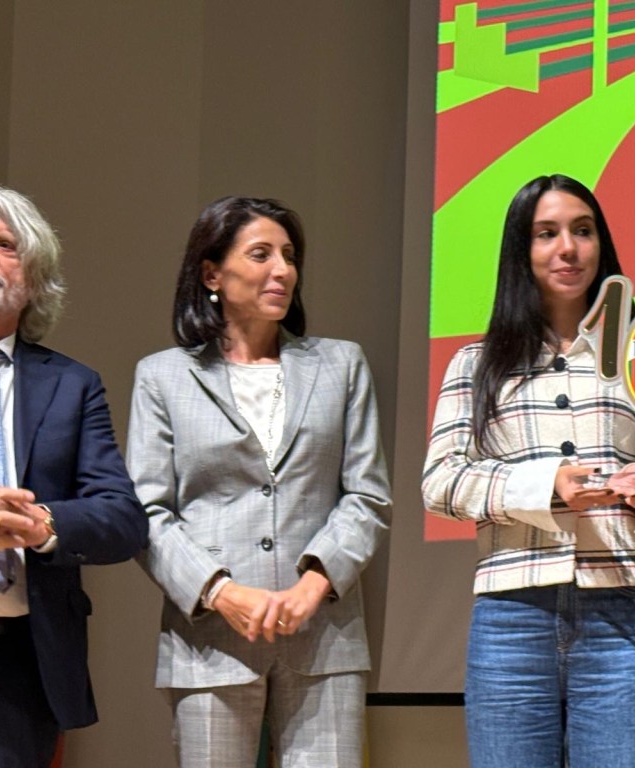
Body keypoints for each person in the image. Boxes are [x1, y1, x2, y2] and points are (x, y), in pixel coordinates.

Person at [422, 174, 635, 768]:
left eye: (583, 231)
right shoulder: (477, 362)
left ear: (602, 246)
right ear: (522, 251)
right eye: (546, 234)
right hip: (511, 617)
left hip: (622, 609)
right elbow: (439, 480)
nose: (567, 248)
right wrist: (546, 487)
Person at [128, 196, 391, 768]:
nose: (283, 270)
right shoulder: (163, 376)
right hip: (209, 637)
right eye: (261, 254)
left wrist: (312, 586)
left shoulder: (341, 364)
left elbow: (367, 496)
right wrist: (222, 593)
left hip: (324, 633)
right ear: (211, 274)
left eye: (290, 256)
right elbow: (148, 512)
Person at [0, 185, 147, 767]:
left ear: (35, 278)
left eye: (4, 245)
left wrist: (40, 524)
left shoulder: (72, 386)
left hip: (18, 670)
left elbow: (122, 520)